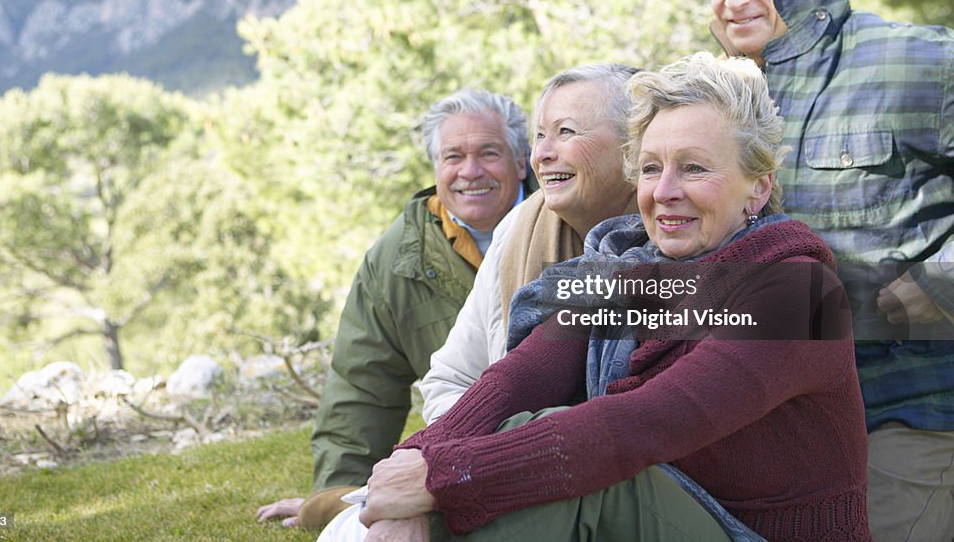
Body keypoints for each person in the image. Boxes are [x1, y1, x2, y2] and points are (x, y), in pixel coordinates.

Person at [357, 53, 870, 541]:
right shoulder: (628, 272)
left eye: (693, 168)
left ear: (757, 188)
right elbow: (521, 377)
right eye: (650, 168)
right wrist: (409, 468)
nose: (664, 191)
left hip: (755, 532)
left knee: (576, 469)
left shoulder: (798, 295)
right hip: (674, 510)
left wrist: (438, 481)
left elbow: (645, 422)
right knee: (515, 428)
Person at [678, 0, 954, 541]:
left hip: (908, 408)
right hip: (774, 422)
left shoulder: (912, 61)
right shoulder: (721, 99)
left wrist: (942, 282)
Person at [256, 88, 532, 530]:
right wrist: (337, 496)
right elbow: (362, 384)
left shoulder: (565, 218)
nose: (470, 171)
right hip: (460, 441)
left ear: (522, 162)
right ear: (435, 167)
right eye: (453, 156)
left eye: (489, 153)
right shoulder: (395, 260)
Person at [419, 64, 638, 423]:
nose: (542, 154)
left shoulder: (679, 239)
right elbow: (452, 380)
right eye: (539, 136)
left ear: (634, 145)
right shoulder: (518, 229)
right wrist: (506, 446)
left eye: (565, 131)